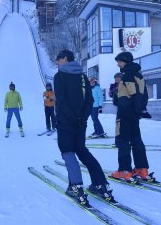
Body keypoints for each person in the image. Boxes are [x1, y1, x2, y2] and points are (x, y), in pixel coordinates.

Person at [54, 49, 114, 205]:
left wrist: (71, 118)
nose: (57, 62)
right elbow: (89, 100)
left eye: (58, 59)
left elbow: (61, 101)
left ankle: (76, 186)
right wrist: (83, 117)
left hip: (66, 122)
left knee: (68, 151)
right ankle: (100, 183)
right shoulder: (82, 76)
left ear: (65, 58)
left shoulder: (60, 76)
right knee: (81, 150)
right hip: (81, 122)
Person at [111, 51, 152, 182]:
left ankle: (124, 170)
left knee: (122, 140)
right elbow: (144, 94)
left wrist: (119, 99)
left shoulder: (127, 75)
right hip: (134, 114)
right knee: (136, 140)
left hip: (125, 114)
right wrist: (139, 110)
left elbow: (133, 95)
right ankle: (142, 169)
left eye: (119, 61)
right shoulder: (138, 75)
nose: (118, 64)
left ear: (125, 61)